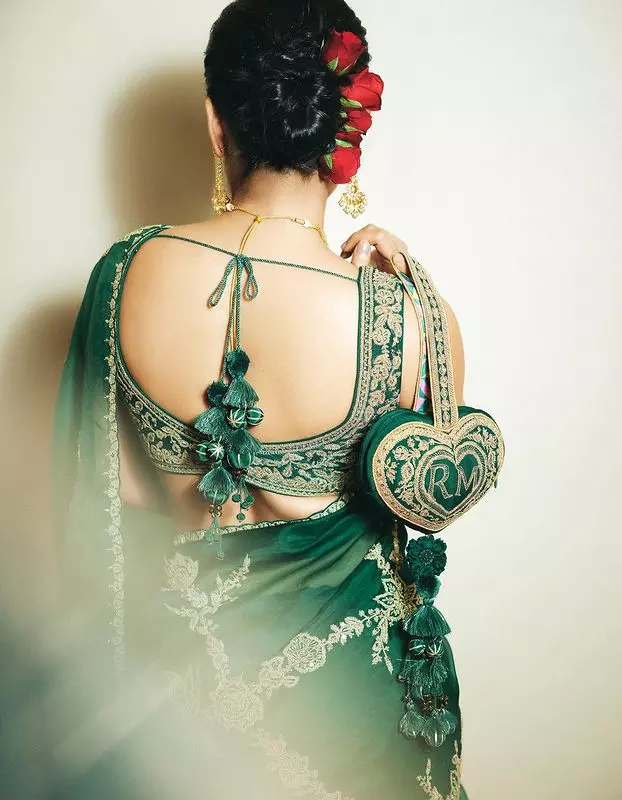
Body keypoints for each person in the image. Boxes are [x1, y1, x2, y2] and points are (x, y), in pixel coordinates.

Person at [51, 1, 469, 798]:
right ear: (347, 133)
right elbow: (431, 490)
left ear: (217, 125)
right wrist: (414, 289)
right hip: (354, 725)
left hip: (177, 727)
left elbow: (116, 500)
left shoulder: (124, 275)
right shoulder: (408, 317)